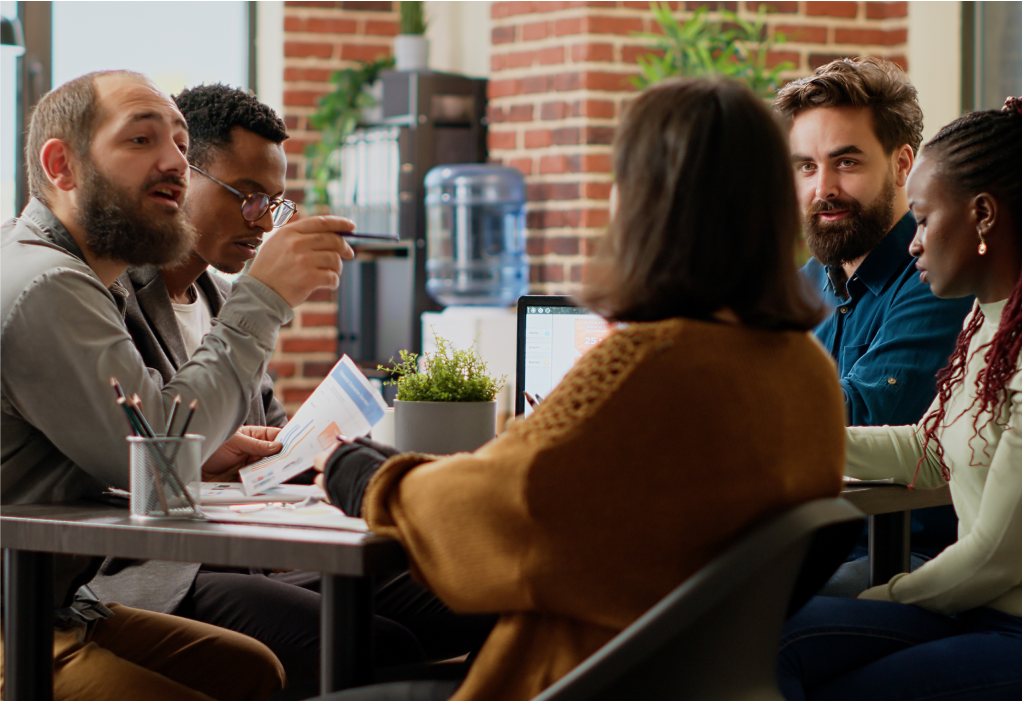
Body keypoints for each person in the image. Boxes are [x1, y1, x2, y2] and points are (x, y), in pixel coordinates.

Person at [311, 77, 847, 701]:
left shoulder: (648, 367)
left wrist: (367, 478)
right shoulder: (806, 370)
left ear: (641, 203)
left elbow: (509, 512)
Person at [0, 70, 355, 699]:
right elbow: (157, 438)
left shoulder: (77, 278)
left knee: (253, 670)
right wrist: (264, 297)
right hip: (16, 623)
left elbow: (139, 452)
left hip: (53, 606)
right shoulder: (45, 283)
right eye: (141, 141)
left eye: (182, 146)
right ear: (62, 166)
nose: (173, 163)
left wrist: (202, 453)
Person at [87, 83, 425, 686]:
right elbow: (119, 452)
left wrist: (302, 449)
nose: (263, 221)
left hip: (252, 552)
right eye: (246, 196)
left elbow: (264, 437)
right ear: (181, 174)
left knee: (455, 598)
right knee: (378, 645)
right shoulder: (107, 297)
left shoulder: (221, 302)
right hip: (158, 571)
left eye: (274, 202)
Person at [778, 88, 1022, 700]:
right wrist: (789, 443)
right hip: (978, 608)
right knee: (765, 640)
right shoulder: (988, 319)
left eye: (922, 218)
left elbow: (998, 556)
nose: (912, 242)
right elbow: (929, 447)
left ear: (983, 216)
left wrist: (885, 597)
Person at [774, 57, 973, 594]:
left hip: (905, 552)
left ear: (902, 163)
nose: (823, 189)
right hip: (805, 538)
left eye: (846, 163)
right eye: (807, 167)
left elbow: (867, 413)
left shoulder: (939, 278)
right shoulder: (798, 288)